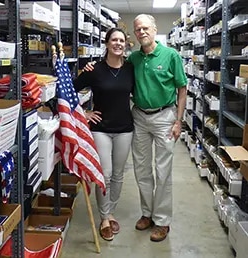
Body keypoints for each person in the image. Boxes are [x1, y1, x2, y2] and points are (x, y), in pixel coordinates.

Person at [84, 14, 187, 242]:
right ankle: (147, 214)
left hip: (164, 117)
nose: (142, 32)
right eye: (138, 29)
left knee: (162, 171)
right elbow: (110, 73)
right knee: (142, 171)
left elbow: (182, 89)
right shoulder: (134, 61)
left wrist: (179, 120)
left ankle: (161, 221)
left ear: (154, 28)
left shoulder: (171, 56)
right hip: (139, 117)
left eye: (145, 28)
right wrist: (91, 68)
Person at [73, 28, 135, 241]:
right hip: (101, 129)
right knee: (105, 174)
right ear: (107, 43)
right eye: (114, 40)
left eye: (121, 40)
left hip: (125, 128)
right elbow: (69, 92)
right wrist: (85, 113)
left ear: (125, 44)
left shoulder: (130, 69)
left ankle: (110, 211)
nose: (118, 43)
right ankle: (104, 218)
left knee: (118, 175)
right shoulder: (94, 69)